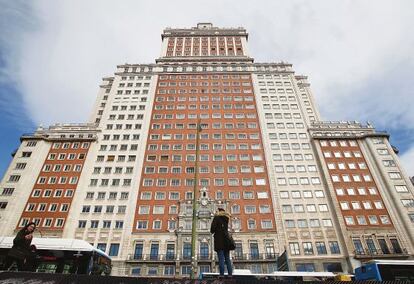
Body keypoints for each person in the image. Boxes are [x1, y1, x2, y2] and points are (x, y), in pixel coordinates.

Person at [210, 208, 233, 277]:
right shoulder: (226, 219)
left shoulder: (216, 218)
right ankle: (230, 274)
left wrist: (215, 218)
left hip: (219, 241)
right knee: (227, 259)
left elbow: (212, 230)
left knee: (221, 259)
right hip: (226, 241)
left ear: (219, 212)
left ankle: (222, 274)